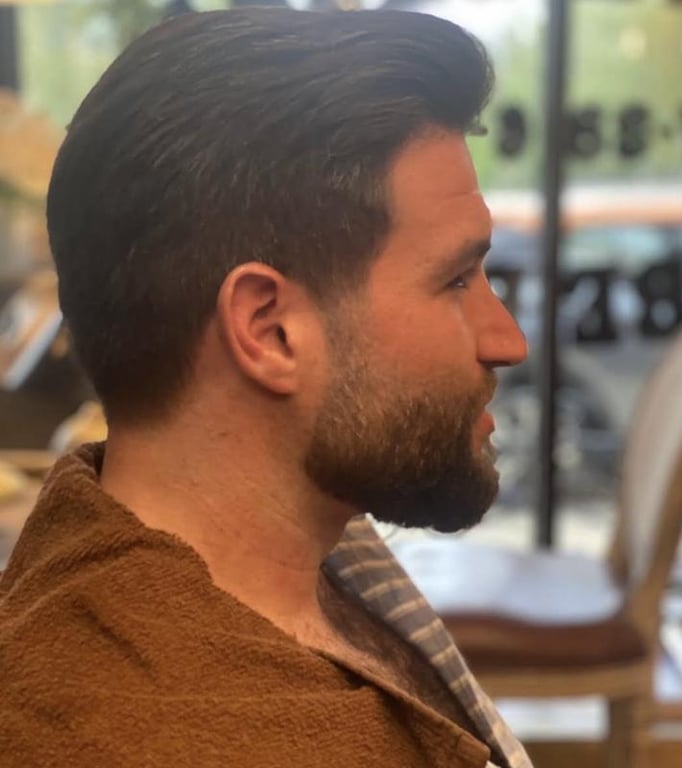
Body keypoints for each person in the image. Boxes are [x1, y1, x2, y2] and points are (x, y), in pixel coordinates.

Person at [0, 7, 530, 768]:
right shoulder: (137, 734)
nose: (507, 340)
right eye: (455, 279)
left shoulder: (313, 566)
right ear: (269, 329)